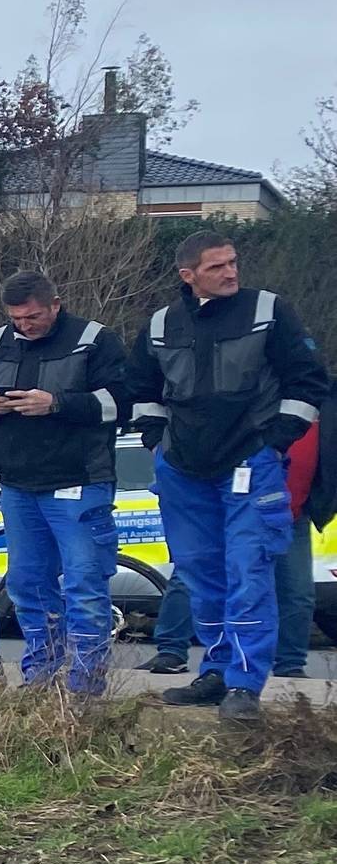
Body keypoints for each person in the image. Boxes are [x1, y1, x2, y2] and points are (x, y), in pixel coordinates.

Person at [130, 230, 330, 721]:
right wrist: (157, 443)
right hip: (183, 469)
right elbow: (141, 389)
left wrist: (275, 440)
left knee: (249, 571)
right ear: (188, 274)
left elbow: (308, 379)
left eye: (233, 262)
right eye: (217, 266)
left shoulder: (268, 310)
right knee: (201, 574)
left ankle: (244, 682)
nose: (230, 272)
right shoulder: (161, 324)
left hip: (249, 463)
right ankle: (216, 671)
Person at [0, 270, 133, 695]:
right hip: (17, 484)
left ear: (56, 304)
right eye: (16, 319)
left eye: (34, 317)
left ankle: (85, 684)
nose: (25, 326)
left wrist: (56, 403)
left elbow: (122, 402)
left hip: (79, 481)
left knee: (84, 585)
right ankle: (41, 679)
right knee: (27, 586)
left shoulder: (95, 340)